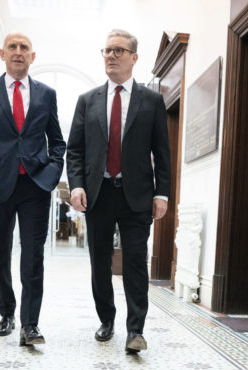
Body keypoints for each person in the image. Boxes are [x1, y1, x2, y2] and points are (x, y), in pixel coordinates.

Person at [66, 29, 170, 353]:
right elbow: (75, 150)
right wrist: (77, 185)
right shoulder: (88, 100)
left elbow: (162, 151)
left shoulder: (151, 101)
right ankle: (107, 320)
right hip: (98, 193)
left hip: (136, 194)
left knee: (136, 262)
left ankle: (135, 329)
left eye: (118, 51)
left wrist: (162, 193)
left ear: (134, 57)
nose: (111, 55)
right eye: (107, 50)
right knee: (100, 261)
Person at [0, 32, 66, 346]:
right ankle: (7, 313)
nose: (18, 52)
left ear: (33, 56)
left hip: (35, 185)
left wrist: (50, 176)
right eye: (13, 47)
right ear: (2, 53)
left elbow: (58, 143)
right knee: (0, 252)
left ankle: (30, 325)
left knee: (33, 256)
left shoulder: (47, 94)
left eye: (24, 48)